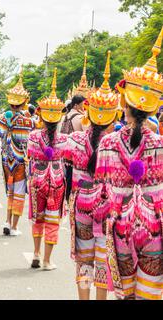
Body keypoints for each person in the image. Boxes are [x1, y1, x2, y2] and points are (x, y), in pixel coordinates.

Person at [95, 27, 163, 300]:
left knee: (126, 293)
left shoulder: (109, 143)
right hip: (155, 225)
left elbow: (102, 191)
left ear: (123, 103)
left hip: (119, 223)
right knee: (149, 293)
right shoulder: (160, 144)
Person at [65, 51, 120, 300]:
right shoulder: (117, 143)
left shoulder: (76, 140)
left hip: (81, 205)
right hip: (107, 207)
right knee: (102, 260)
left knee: (84, 259)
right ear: (113, 117)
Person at [27, 68, 67, 271]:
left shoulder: (33, 136)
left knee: (38, 219)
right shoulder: (64, 139)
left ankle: (35, 252)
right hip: (57, 182)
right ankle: (47, 260)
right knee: (52, 221)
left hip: (37, 179)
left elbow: (30, 156)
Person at [0, 68, 35, 236]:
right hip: (21, 160)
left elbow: (0, 134)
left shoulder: (2, 119)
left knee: (10, 192)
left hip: (7, 159)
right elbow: (30, 141)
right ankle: (13, 226)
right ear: (24, 102)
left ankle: (7, 220)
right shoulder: (29, 122)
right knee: (19, 193)